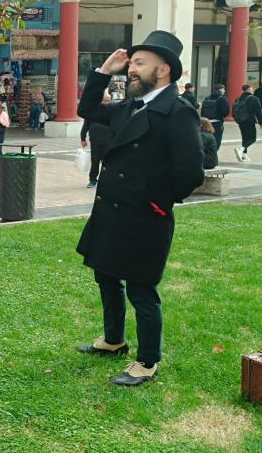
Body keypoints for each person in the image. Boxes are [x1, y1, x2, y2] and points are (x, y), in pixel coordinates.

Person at [75, 31, 204, 386]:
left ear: (163, 70)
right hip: (111, 213)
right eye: (131, 63)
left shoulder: (178, 112)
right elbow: (86, 110)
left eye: (139, 63)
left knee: (141, 289)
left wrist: (156, 201)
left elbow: (191, 172)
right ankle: (114, 340)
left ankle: (147, 362)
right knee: (105, 274)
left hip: (146, 216)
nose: (131, 69)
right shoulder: (132, 106)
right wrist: (104, 70)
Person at [79, 90, 112, 188]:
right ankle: (93, 180)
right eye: (104, 101)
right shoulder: (92, 112)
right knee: (95, 162)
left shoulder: (113, 112)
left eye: (108, 101)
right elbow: (85, 125)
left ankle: (107, 181)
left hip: (109, 141)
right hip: (95, 141)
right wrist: (83, 138)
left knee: (108, 163)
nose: (106, 103)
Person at [232, 84, 262, 163]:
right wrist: (261, 122)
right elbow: (258, 112)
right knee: (252, 138)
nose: (252, 90)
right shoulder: (254, 98)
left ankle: (243, 155)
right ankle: (241, 149)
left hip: (240, 121)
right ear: (249, 89)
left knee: (245, 138)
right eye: (252, 89)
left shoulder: (238, 99)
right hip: (249, 121)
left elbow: (233, 110)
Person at [199, 84, 229, 149]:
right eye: (223, 89)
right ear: (220, 89)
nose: (224, 90)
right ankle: (213, 156)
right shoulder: (222, 98)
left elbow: (202, 111)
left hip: (206, 122)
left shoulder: (207, 98)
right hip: (217, 123)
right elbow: (225, 111)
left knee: (206, 141)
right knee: (216, 142)